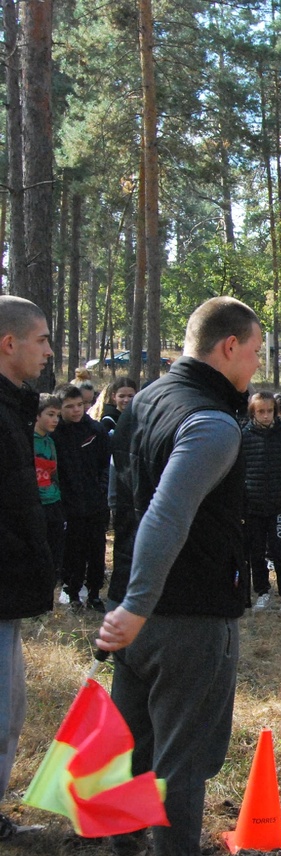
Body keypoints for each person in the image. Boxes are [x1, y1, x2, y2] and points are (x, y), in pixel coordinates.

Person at [96, 296, 261, 856]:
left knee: (132, 754)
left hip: (137, 613)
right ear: (229, 347)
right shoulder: (212, 423)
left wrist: (126, 600)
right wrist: (138, 602)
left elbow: (123, 502)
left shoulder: (146, 400)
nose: (257, 366)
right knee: (181, 767)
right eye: (255, 353)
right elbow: (166, 513)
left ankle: (124, 846)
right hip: (185, 616)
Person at [0, 297, 55, 840]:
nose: (48, 350)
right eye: (40, 339)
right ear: (7, 343)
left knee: (10, 716)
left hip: (9, 596)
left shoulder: (15, 410)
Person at [53, 383, 111, 612]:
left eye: (80, 405)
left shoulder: (95, 431)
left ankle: (95, 593)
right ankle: (72, 591)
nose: (76, 410)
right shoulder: (56, 434)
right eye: (70, 406)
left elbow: (105, 464)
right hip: (69, 504)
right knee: (73, 551)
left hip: (95, 503)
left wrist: (101, 490)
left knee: (96, 550)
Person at [241, 391, 281, 617]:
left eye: (269, 411)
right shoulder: (244, 436)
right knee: (256, 552)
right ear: (253, 413)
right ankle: (262, 591)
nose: (266, 416)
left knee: (280, 551)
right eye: (261, 412)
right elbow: (240, 470)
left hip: (278, 507)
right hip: (253, 506)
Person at [34, 394, 66, 586]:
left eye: (58, 415)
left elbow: (54, 474)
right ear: (37, 415)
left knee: (54, 554)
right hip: (36, 504)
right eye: (51, 414)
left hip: (53, 502)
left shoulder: (51, 442)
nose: (55, 420)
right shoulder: (27, 440)